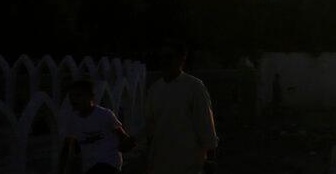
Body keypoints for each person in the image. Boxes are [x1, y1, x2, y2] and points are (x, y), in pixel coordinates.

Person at [144, 40, 219, 174]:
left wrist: (210, 159)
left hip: (188, 163)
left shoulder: (194, 87)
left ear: (181, 59)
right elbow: (150, 126)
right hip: (161, 162)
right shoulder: (155, 89)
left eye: (169, 57)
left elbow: (205, 124)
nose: (164, 61)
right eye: (162, 57)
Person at [59, 79, 135, 174]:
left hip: (109, 164)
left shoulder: (104, 115)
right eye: (71, 96)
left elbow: (122, 136)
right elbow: (67, 146)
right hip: (90, 166)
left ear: (91, 97)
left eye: (79, 95)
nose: (74, 99)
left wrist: (128, 143)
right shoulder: (73, 119)